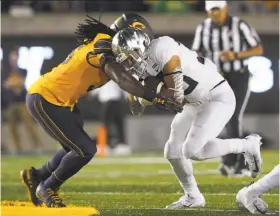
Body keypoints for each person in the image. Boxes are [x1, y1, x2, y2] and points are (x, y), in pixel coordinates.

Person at [20, 14, 182, 208]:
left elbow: (138, 78)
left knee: (73, 148)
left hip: (63, 101)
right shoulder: (103, 46)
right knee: (84, 150)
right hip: (45, 98)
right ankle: (48, 186)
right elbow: (123, 80)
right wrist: (154, 97)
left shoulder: (110, 47)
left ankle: (36, 176)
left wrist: (164, 90)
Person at [111, 27, 263, 209]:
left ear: (140, 46)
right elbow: (136, 109)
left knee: (192, 151)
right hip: (193, 102)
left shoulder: (162, 47)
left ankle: (247, 145)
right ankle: (193, 197)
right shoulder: (139, 69)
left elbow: (176, 97)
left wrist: (150, 93)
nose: (128, 64)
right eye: (124, 61)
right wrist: (134, 92)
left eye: (130, 57)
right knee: (172, 151)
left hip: (216, 96)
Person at [192, 1, 264, 176]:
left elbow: (258, 49)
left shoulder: (240, 25)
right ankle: (229, 160)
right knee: (219, 118)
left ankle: (242, 163)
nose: (214, 13)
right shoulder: (203, 27)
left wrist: (236, 55)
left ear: (224, 8)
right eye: (211, 10)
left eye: (217, 9)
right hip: (217, 78)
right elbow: (195, 52)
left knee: (233, 116)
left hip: (238, 75)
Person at [4, 46, 41, 154]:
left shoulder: (22, 70)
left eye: (15, 57)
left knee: (29, 125)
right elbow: (6, 84)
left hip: (22, 103)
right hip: (11, 103)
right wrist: (12, 84)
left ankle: (37, 146)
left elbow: (18, 83)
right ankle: (17, 148)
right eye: (12, 57)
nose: (13, 59)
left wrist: (11, 84)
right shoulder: (5, 71)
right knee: (12, 128)